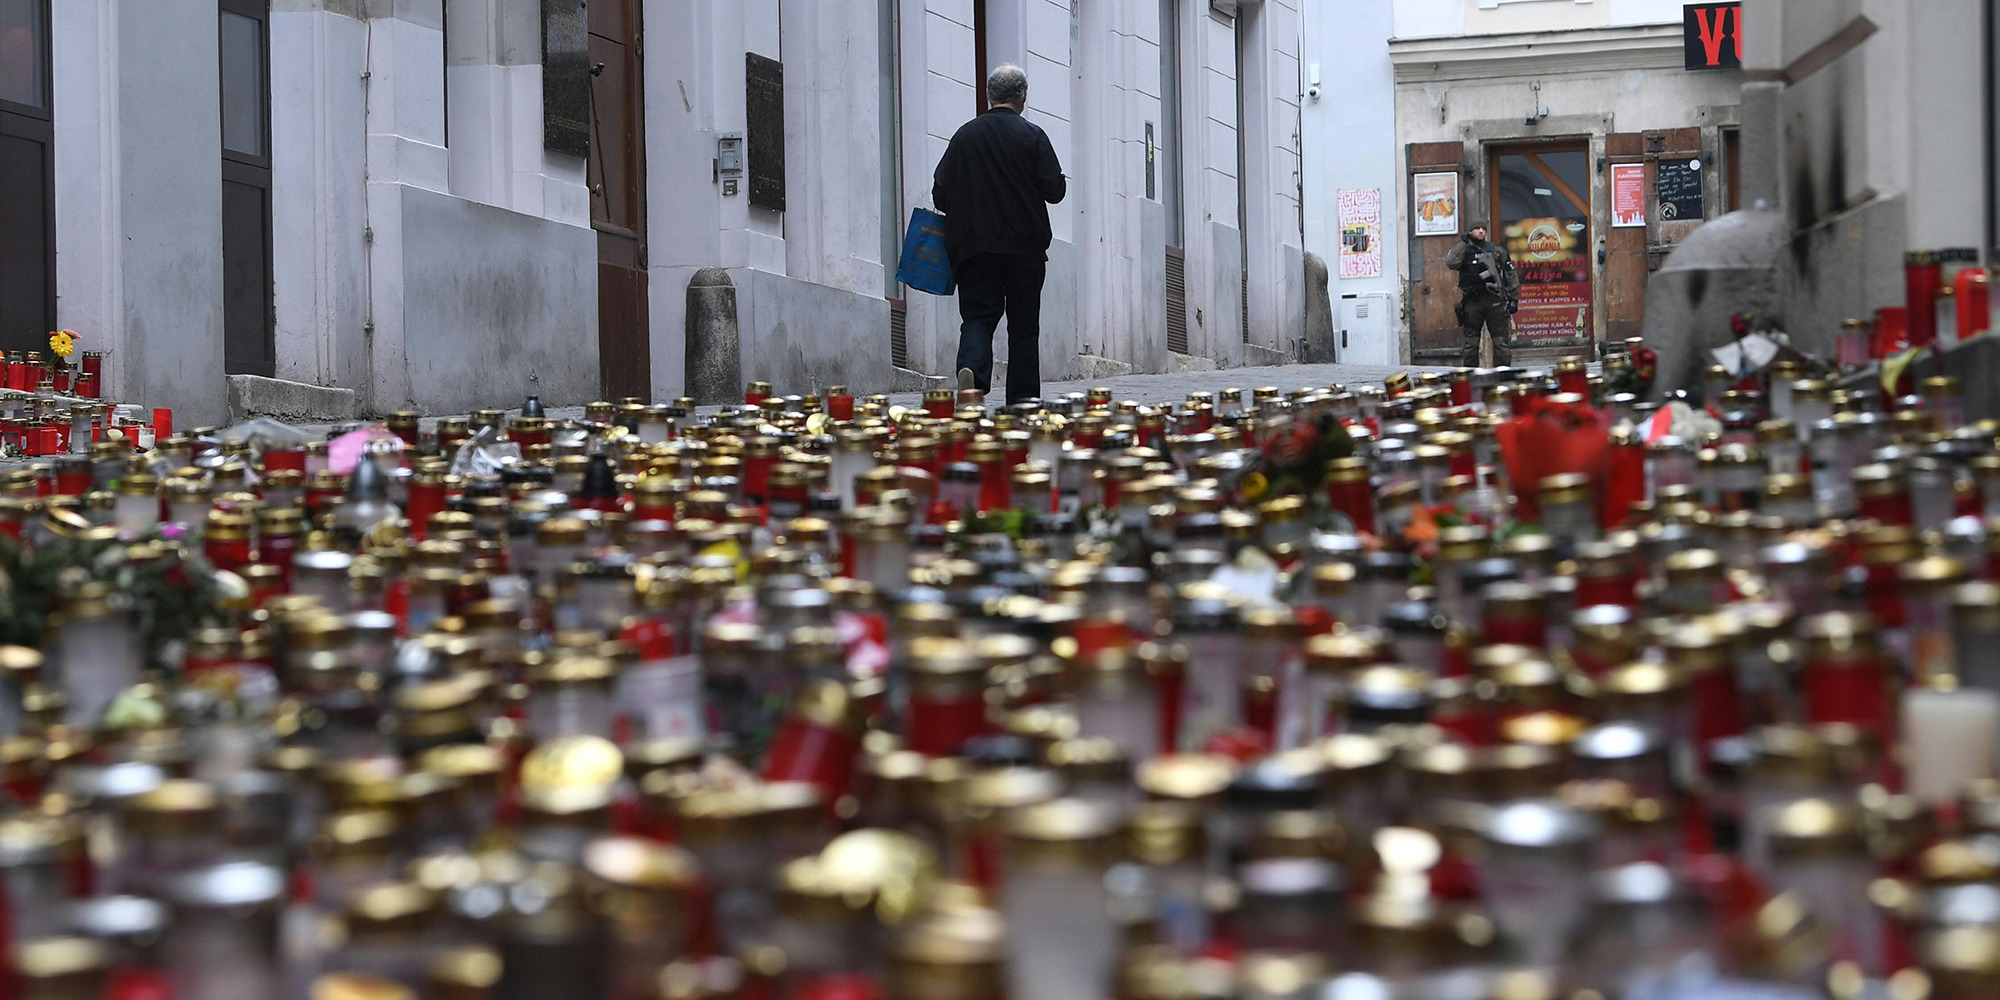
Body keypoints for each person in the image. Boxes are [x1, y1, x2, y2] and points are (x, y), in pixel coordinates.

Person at [933, 64, 1067, 404]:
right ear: (1023, 96)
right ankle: (1022, 402)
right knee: (1023, 327)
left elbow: (940, 194)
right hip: (1025, 249)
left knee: (978, 318)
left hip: (974, 248)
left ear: (988, 95)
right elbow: (1054, 190)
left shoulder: (964, 136)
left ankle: (973, 375)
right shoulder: (1032, 136)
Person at [1444, 220, 1518, 368]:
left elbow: (1510, 274)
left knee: (1501, 343)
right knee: (1471, 345)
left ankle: (1503, 375)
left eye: (1483, 228)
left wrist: (1514, 298)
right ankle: (1470, 377)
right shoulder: (1464, 251)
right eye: (1477, 228)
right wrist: (1463, 243)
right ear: (1470, 231)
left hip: (1494, 300)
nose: (1481, 231)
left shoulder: (1496, 251)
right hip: (1472, 301)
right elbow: (1451, 262)